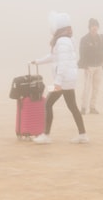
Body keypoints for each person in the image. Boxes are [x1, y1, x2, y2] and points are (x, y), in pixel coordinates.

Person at [30, 12, 87, 144]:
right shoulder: (65, 40)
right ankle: (82, 134)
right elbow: (54, 57)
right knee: (72, 106)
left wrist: (57, 82)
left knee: (48, 103)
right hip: (67, 80)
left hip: (63, 81)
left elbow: (63, 63)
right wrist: (38, 61)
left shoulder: (62, 41)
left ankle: (46, 135)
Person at [78, 18, 103, 114]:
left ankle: (92, 107)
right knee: (87, 87)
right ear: (89, 27)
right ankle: (83, 107)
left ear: (98, 27)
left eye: (96, 26)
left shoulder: (101, 38)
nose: (94, 28)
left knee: (96, 88)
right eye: (92, 26)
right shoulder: (84, 39)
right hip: (89, 66)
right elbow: (82, 53)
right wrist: (84, 65)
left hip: (99, 66)